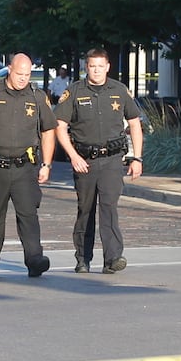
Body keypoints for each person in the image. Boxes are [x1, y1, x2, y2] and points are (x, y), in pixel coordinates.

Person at [0, 52, 57, 278]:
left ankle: (35, 259)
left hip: (25, 167)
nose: (23, 78)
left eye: (27, 74)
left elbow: (48, 131)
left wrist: (46, 164)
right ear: (9, 69)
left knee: (29, 214)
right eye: (19, 74)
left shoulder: (37, 97)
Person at [54, 48, 143, 274]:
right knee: (86, 210)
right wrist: (73, 156)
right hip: (85, 160)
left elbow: (134, 123)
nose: (96, 70)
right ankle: (83, 258)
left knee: (109, 208)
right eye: (92, 66)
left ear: (107, 67)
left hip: (112, 159)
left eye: (100, 66)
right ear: (87, 67)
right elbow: (60, 126)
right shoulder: (74, 91)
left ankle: (113, 258)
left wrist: (137, 157)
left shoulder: (119, 90)